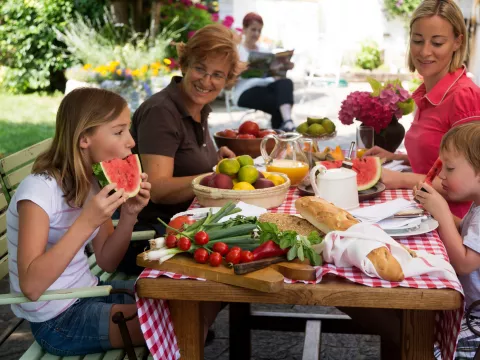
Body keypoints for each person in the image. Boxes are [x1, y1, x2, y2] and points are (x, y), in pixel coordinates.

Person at [5, 88, 152, 356]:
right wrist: (87, 222)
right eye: (118, 132)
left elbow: (107, 260)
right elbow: (31, 287)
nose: (131, 141)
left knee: (183, 299)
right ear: (84, 138)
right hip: (58, 320)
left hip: (91, 292)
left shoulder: (92, 182)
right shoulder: (38, 192)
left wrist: (129, 215)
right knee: (170, 320)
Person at [120, 24, 244, 275]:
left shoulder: (197, 107)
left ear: (227, 79)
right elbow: (159, 190)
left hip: (188, 229)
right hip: (152, 238)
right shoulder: (162, 112)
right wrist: (215, 178)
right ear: (185, 64)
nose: (207, 81)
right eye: (200, 68)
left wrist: (216, 164)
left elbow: (187, 162)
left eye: (217, 75)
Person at [364, 0, 480, 218]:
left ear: (457, 42)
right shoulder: (428, 90)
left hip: (454, 225)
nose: (425, 51)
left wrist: (399, 178)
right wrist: (397, 157)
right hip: (420, 210)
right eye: (418, 40)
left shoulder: (464, 96)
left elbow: (469, 182)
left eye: (437, 43)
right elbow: (441, 157)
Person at [414, 122, 480, 359]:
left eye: (450, 169)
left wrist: (441, 211)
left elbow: (465, 263)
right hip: (469, 308)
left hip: (475, 320)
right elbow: (468, 233)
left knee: (420, 336)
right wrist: (436, 210)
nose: (441, 175)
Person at [233, 12, 296, 131]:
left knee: (286, 82)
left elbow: (271, 73)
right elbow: (229, 79)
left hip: (265, 86)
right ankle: (284, 128)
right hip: (245, 91)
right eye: (253, 29)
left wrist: (283, 67)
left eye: (259, 30)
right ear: (244, 29)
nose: (256, 34)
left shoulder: (264, 50)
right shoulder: (237, 51)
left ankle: (286, 124)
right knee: (280, 102)